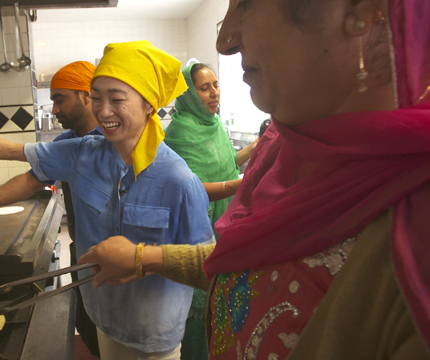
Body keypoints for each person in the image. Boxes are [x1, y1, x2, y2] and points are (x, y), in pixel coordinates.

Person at [79, 0, 430, 359]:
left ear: (362, 11)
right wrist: (144, 258)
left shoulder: (416, 234)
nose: (225, 41)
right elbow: (245, 264)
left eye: (246, 4)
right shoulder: (281, 148)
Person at [0, 41, 215, 360]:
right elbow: (12, 151)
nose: (104, 111)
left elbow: (209, 266)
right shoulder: (84, 153)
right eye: (97, 99)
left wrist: (141, 259)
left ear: (149, 104)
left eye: (117, 99)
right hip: (104, 319)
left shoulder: (178, 180)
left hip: (152, 332)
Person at [0, 60, 103, 357]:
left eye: (60, 98)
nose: (55, 109)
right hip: (84, 255)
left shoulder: (110, 142)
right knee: (94, 336)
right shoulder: (66, 141)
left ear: (86, 95)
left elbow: (10, 152)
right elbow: (31, 181)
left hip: (116, 258)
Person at [163, 63, 256, 360]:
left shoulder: (214, 125)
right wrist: (238, 186)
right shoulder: (180, 131)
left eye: (216, 85)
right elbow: (192, 188)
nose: (214, 93)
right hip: (199, 228)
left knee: (226, 301)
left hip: (227, 222)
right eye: (204, 88)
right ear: (189, 94)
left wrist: (257, 147)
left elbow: (227, 165)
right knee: (200, 303)